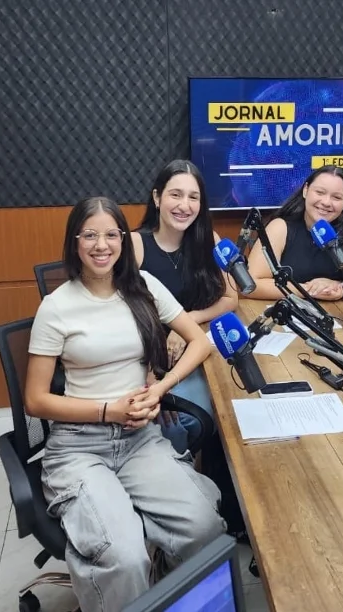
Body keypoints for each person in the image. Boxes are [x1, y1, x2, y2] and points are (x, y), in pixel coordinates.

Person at [25, 196, 226, 612]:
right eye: (90, 236)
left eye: (111, 235)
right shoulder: (57, 306)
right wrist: (107, 411)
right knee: (124, 555)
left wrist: (160, 388)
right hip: (80, 447)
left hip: (140, 440)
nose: (102, 245)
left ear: (122, 239)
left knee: (204, 527)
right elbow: (35, 400)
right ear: (75, 242)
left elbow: (199, 341)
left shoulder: (145, 287)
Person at [134, 159, 246, 542]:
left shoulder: (208, 241)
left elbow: (231, 298)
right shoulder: (135, 245)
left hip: (195, 351)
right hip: (150, 362)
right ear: (157, 198)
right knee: (199, 419)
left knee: (235, 404)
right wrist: (165, 335)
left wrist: (189, 322)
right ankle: (181, 517)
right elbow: (123, 314)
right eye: (175, 195)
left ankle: (228, 512)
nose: (184, 205)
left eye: (193, 197)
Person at [246, 165, 343, 301]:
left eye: (336, 197)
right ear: (306, 190)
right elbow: (251, 285)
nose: (326, 202)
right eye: (320, 192)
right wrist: (307, 290)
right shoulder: (280, 228)